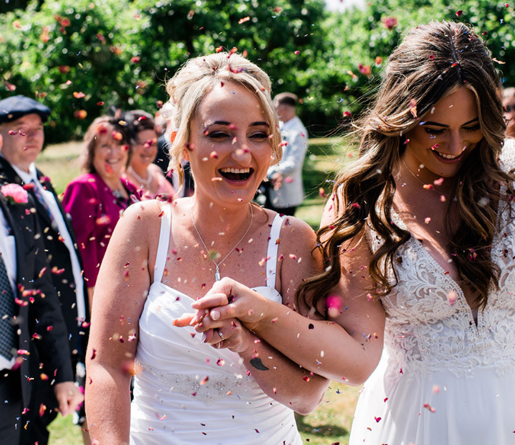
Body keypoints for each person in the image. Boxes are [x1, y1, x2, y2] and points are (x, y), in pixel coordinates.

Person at [188, 21, 515, 444]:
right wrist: (260, 316)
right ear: (401, 117)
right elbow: (356, 354)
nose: (454, 146)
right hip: (421, 421)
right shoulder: (361, 199)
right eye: (434, 128)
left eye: (471, 128)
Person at [84, 52, 333, 444]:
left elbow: (307, 395)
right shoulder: (144, 226)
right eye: (219, 134)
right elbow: (108, 367)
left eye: (257, 134)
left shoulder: (294, 239)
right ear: (183, 144)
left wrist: (245, 343)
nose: (241, 151)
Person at [0, 96, 89, 443]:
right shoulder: (4, 186)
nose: (32, 137)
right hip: (18, 346)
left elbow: (51, 273)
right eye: (21, 130)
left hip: (48, 337)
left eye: (38, 129)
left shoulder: (39, 183)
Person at [62, 117, 140, 309]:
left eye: (119, 144)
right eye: (105, 145)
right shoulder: (83, 188)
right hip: (101, 296)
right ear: (92, 150)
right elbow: (78, 248)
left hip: (134, 290)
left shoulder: (130, 188)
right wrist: (92, 298)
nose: (113, 152)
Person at [264, 92, 309, 216]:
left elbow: (294, 163)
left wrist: (269, 171)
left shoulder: (298, 132)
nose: (273, 110)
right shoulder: (281, 126)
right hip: (272, 189)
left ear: (282, 108)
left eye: (275, 107)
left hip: (285, 193)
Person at [123, 109, 176, 200]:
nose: (149, 149)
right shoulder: (121, 178)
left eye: (153, 143)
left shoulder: (156, 171)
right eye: (142, 143)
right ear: (129, 144)